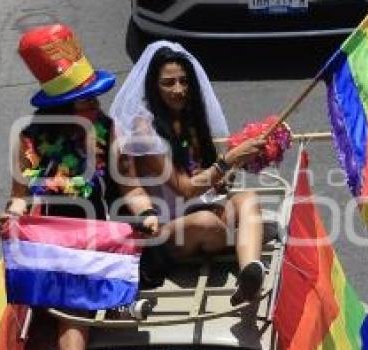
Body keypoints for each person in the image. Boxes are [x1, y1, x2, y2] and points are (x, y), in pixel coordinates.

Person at [0, 25, 159, 350]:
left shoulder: (108, 132)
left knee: (71, 300)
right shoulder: (29, 140)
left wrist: (147, 214)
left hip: (87, 241)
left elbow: (131, 187)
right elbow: (19, 195)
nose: (94, 105)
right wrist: (12, 216)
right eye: (83, 100)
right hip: (42, 242)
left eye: (93, 96)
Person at [110, 41, 267, 306]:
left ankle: (249, 273)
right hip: (161, 230)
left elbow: (201, 174)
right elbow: (184, 187)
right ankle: (248, 237)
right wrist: (228, 161)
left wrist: (224, 176)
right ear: (153, 86)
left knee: (247, 198)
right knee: (208, 223)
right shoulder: (143, 133)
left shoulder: (187, 118)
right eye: (168, 83)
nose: (178, 90)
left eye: (184, 81)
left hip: (193, 210)